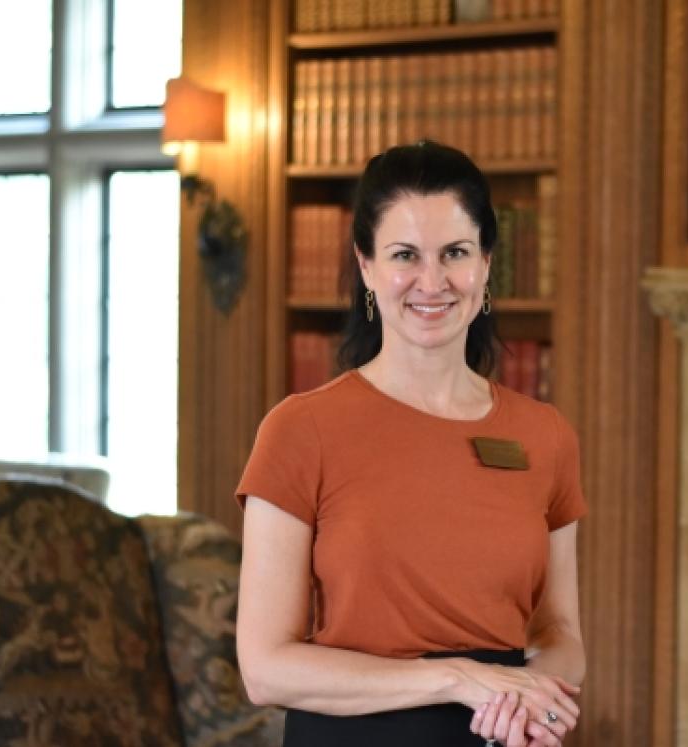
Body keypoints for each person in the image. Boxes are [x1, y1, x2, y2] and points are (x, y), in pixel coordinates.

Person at [235, 141, 587, 747]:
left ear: (485, 265)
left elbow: (559, 632)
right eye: (405, 255)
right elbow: (264, 669)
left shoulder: (545, 435)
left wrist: (535, 701)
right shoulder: (300, 430)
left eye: (455, 252)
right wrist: (457, 679)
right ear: (367, 268)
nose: (433, 281)